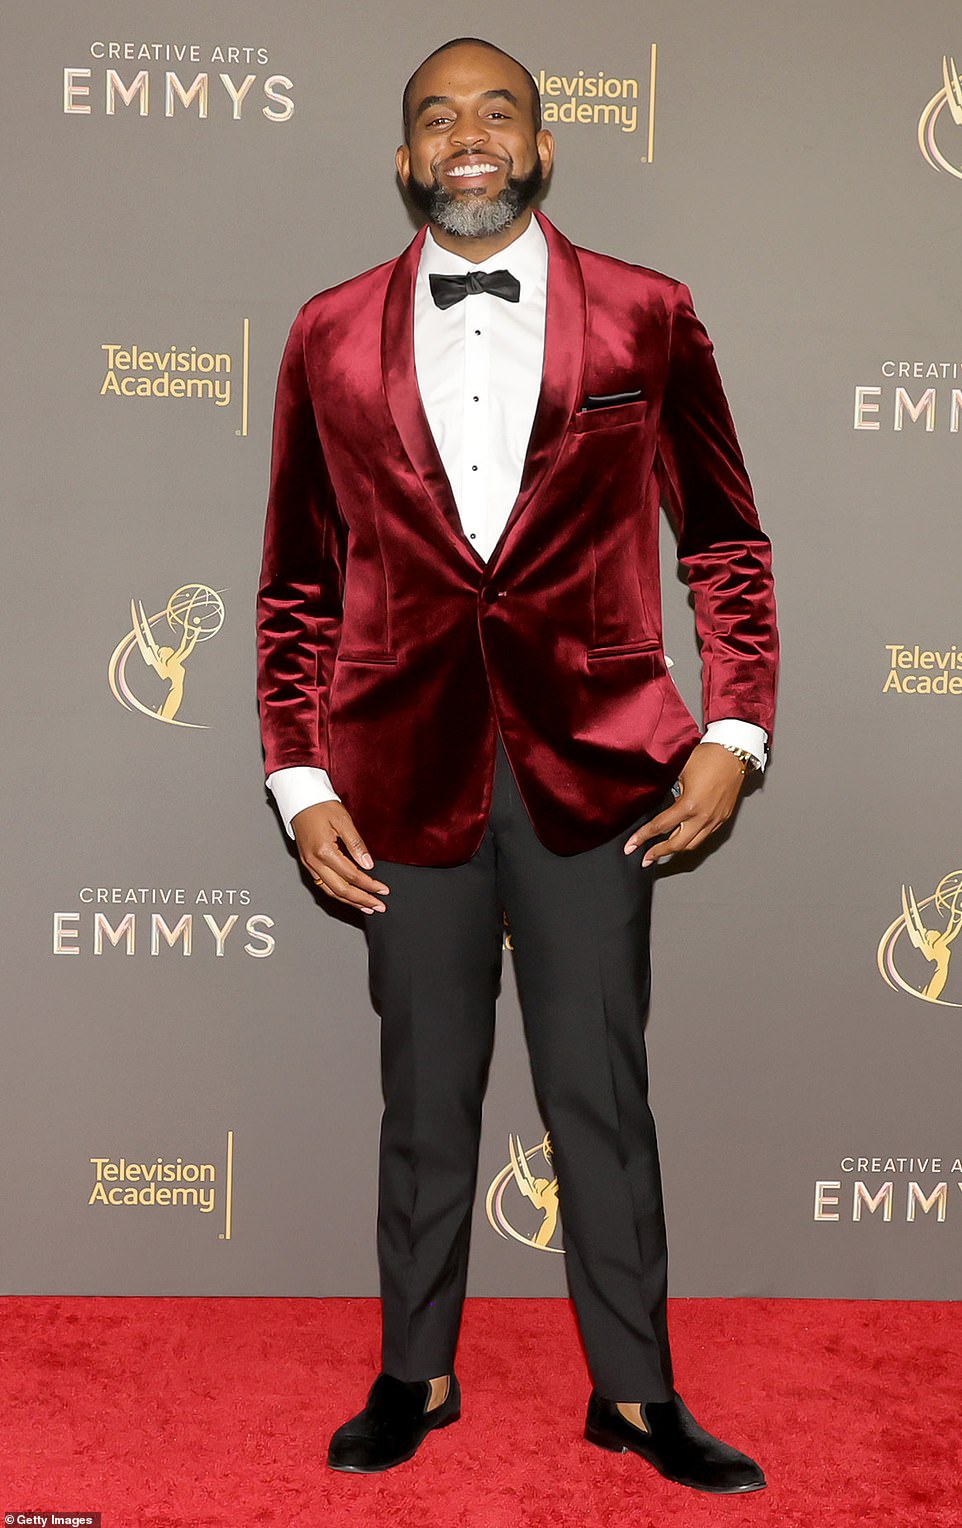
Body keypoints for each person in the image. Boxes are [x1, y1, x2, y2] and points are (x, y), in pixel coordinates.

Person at [255, 35, 778, 1495]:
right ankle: (413, 1376)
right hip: (396, 781)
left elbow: (723, 543)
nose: (467, 137)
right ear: (404, 158)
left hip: (599, 774)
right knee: (423, 1101)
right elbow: (295, 580)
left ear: (544, 144)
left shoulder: (646, 315)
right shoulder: (322, 333)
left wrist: (731, 729)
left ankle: (632, 1395)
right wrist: (299, 780)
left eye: (497, 113)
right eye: (437, 118)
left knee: (597, 1096)